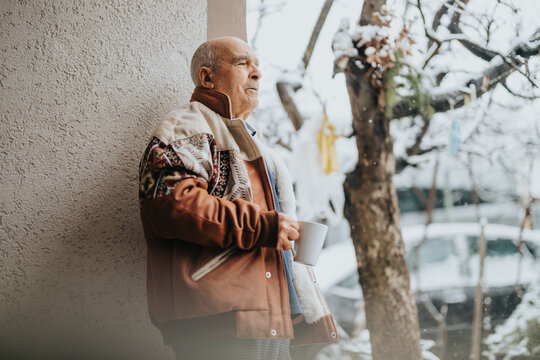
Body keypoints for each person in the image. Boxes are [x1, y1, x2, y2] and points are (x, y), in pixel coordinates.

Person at [138, 37, 337, 360]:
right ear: (207, 78)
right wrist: (263, 226)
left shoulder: (248, 137)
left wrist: (281, 229)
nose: (256, 73)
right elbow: (173, 204)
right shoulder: (189, 127)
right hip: (220, 320)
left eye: (257, 66)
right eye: (243, 64)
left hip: (266, 317)